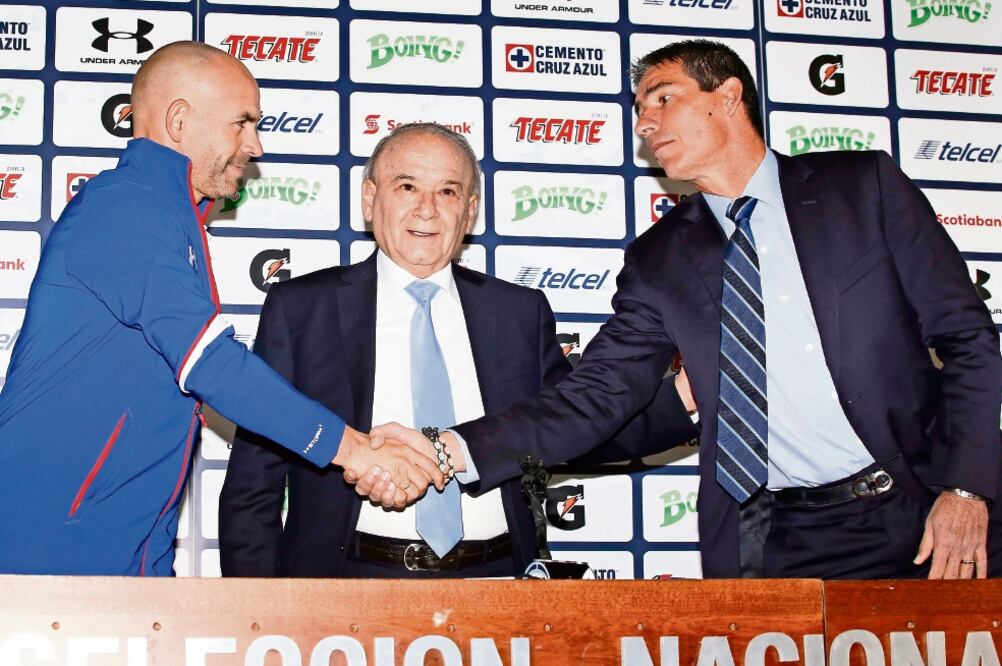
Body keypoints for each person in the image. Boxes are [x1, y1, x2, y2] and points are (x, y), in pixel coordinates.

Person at [371, 40, 1002, 580]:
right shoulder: (659, 258)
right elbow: (592, 396)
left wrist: (966, 488)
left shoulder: (861, 187)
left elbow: (969, 337)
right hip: (778, 539)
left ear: (727, 95)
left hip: (924, 506)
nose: (645, 122)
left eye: (662, 97)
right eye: (638, 110)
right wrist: (448, 448)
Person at [0, 42, 440, 576]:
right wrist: (356, 451)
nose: (255, 145)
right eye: (242, 123)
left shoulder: (172, 216)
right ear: (179, 120)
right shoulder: (127, 207)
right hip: (47, 552)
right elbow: (208, 362)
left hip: (129, 553)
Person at [218, 122, 697, 578]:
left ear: (469, 211)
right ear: (370, 198)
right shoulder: (303, 308)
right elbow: (253, 481)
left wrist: (683, 396)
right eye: (407, 187)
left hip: (500, 583)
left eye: (447, 191)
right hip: (350, 584)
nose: (427, 209)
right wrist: (256, 614)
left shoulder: (518, 312)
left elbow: (577, 427)